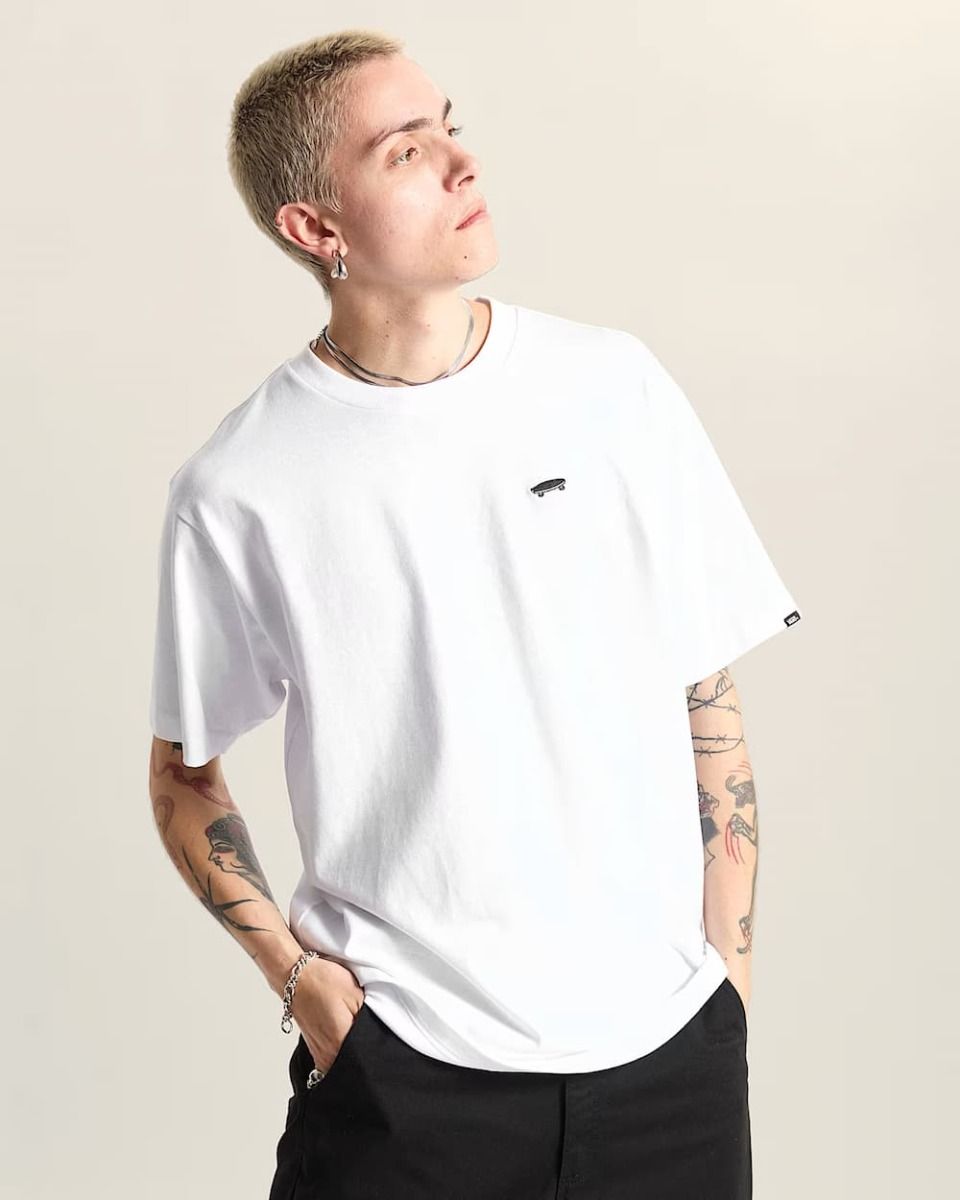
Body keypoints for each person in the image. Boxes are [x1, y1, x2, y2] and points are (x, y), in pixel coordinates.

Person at [147, 28, 802, 1200]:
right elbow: (182, 779)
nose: (463, 164)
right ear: (315, 226)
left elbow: (704, 688)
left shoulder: (614, 388)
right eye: (405, 150)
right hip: (407, 1087)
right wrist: (301, 984)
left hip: (672, 1066)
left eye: (449, 127)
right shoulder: (241, 486)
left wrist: (728, 988)